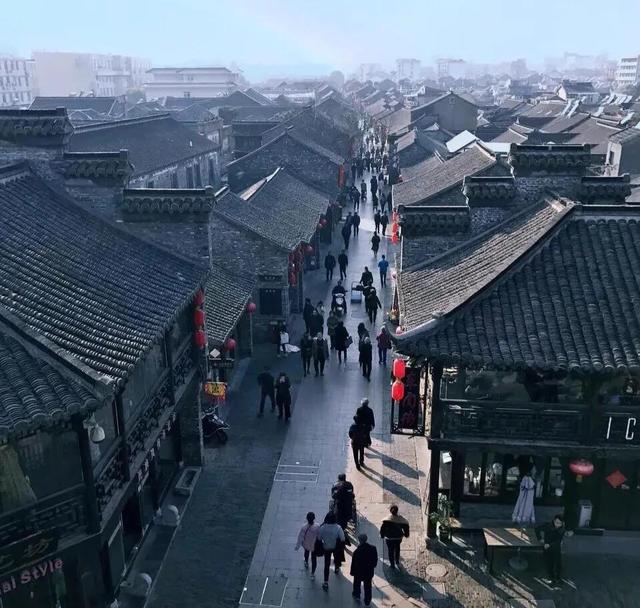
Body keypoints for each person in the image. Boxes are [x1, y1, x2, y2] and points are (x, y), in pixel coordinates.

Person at [536, 514, 567, 585]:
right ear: (554, 521)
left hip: (555, 548)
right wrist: (540, 539)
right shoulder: (548, 526)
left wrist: (548, 544)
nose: (558, 525)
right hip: (547, 548)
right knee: (549, 563)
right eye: (557, 523)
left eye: (560, 523)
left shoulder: (562, 529)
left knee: (558, 564)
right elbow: (537, 529)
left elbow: (558, 541)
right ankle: (552, 578)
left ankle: (558, 578)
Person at [317, 512, 345, 590]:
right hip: (335, 547)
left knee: (327, 565)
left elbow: (319, 538)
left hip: (326, 547)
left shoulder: (322, 528)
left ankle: (326, 582)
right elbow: (342, 538)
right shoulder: (338, 528)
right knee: (336, 557)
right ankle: (336, 567)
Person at [350, 533, 378, 606]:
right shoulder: (373, 548)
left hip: (358, 572)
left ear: (360, 540)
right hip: (369, 572)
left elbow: (354, 563)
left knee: (357, 583)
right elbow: (375, 560)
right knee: (368, 586)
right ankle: (367, 600)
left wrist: (352, 572)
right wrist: (373, 566)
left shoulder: (357, 551)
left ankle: (357, 595)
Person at [380, 505, 410, 569]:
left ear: (390, 511)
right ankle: (397, 561)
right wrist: (406, 534)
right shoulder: (401, 519)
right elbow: (406, 526)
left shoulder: (386, 520)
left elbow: (382, 529)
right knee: (397, 549)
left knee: (390, 551)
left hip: (389, 538)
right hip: (398, 538)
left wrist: (382, 535)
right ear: (397, 511)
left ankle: (392, 564)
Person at [295, 511, 319, 579]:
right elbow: (319, 536)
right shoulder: (317, 526)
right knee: (314, 559)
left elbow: (300, 537)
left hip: (306, 544)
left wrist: (297, 546)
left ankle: (306, 561)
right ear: (314, 518)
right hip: (314, 546)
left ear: (307, 518)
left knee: (306, 552)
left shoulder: (304, 527)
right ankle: (312, 573)